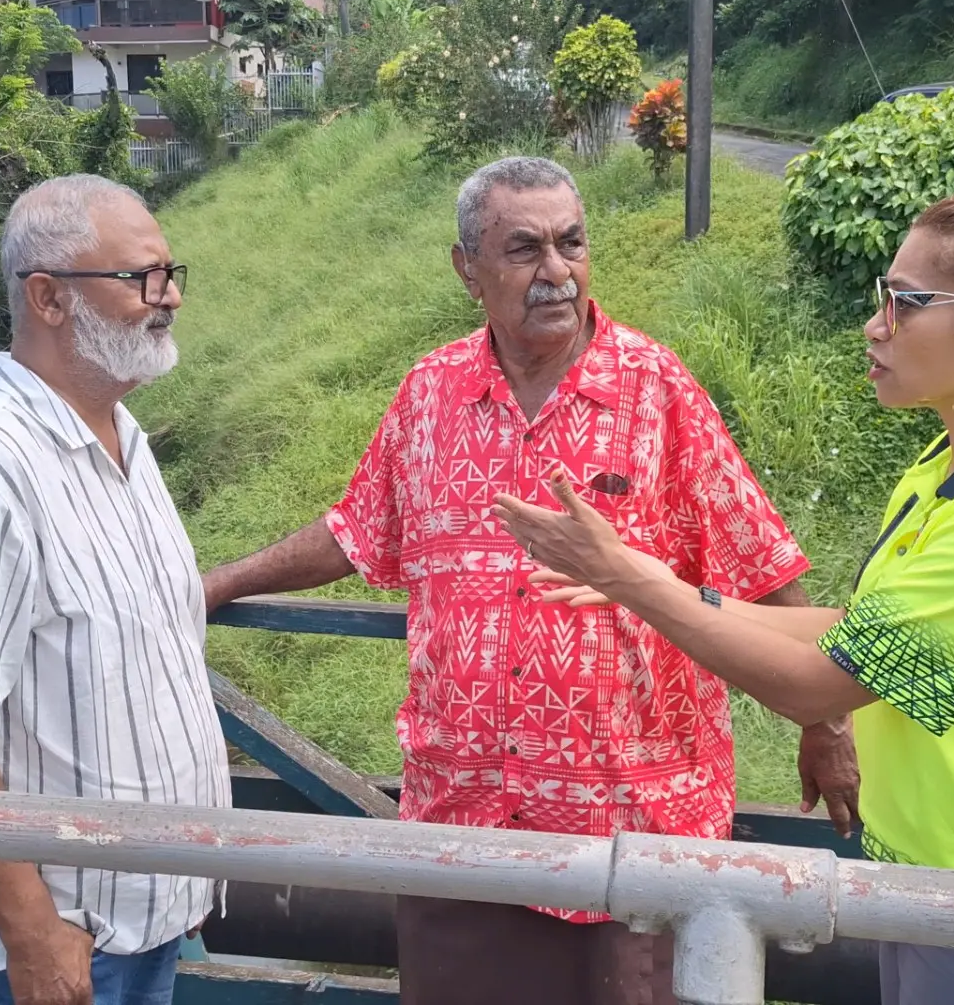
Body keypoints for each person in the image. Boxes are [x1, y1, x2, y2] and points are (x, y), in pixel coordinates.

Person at [199, 155, 859, 1005]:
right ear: (467, 268)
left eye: (572, 243)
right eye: (524, 249)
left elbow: (761, 554)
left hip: (634, 832)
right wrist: (219, 581)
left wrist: (825, 719)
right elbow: (354, 527)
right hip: (466, 829)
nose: (557, 272)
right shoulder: (431, 392)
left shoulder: (657, 390)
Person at [494, 181, 954, 1005]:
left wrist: (628, 577)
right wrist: (655, 584)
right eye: (883, 296)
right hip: (947, 885)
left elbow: (817, 683)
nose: (876, 325)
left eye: (908, 302)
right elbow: (860, 631)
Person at [0, 174, 229, 1005]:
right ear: (49, 297)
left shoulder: (122, 441)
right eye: (142, 277)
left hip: (143, 915)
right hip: (54, 945)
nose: (169, 296)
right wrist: (32, 931)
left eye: (172, 273)